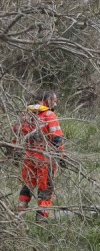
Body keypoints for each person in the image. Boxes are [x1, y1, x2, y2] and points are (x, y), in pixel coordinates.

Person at [10, 91, 65, 220]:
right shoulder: (49, 115)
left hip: (28, 158)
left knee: (27, 185)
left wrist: (15, 156)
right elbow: (57, 139)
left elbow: (16, 136)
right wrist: (61, 157)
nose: (55, 103)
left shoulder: (25, 116)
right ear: (46, 100)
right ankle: (42, 218)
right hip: (46, 159)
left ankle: (20, 212)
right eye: (54, 100)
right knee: (46, 188)